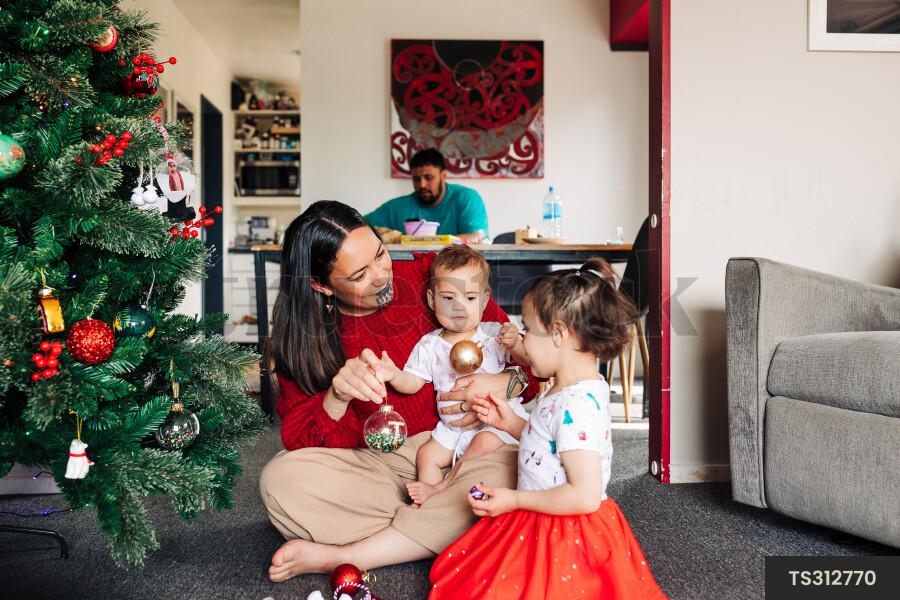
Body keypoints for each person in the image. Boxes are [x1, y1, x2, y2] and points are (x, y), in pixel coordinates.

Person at [259, 200, 539, 583]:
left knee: (522, 462)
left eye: (380, 254)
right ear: (321, 285)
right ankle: (446, 522)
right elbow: (302, 439)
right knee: (281, 481)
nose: (381, 277)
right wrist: (336, 397)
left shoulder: (435, 276)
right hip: (385, 463)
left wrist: (506, 382)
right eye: (359, 274)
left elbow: (533, 363)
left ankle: (353, 553)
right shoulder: (301, 343)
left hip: (477, 444)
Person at [429, 258, 668, 599]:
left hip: (565, 530)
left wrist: (513, 499)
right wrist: (509, 423)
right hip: (543, 515)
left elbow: (585, 496)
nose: (521, 341)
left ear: (558, 334)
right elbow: (552, 442)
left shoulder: (576, 405)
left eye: (527, 330)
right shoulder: (569, 386)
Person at [378, 245, 530, 506]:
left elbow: (529, 364)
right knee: (426, 455)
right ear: (431, 300)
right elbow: (412, 383)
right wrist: (393, 374)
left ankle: (442, 487)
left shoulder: (494, 334)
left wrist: (515, 344)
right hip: (451, 428)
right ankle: (428, 505)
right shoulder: (429, 344)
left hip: (495, 423)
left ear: (484, 300)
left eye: (470, 298)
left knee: (482, 442)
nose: (459, 307)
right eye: (448, 298)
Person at [365, 148, 488, 242]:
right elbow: (359, 225)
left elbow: (478, 237)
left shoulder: (467, 199)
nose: (422, 184)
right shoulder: (396, 208)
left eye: (428, 178)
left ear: (443, 176)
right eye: (417, 179)